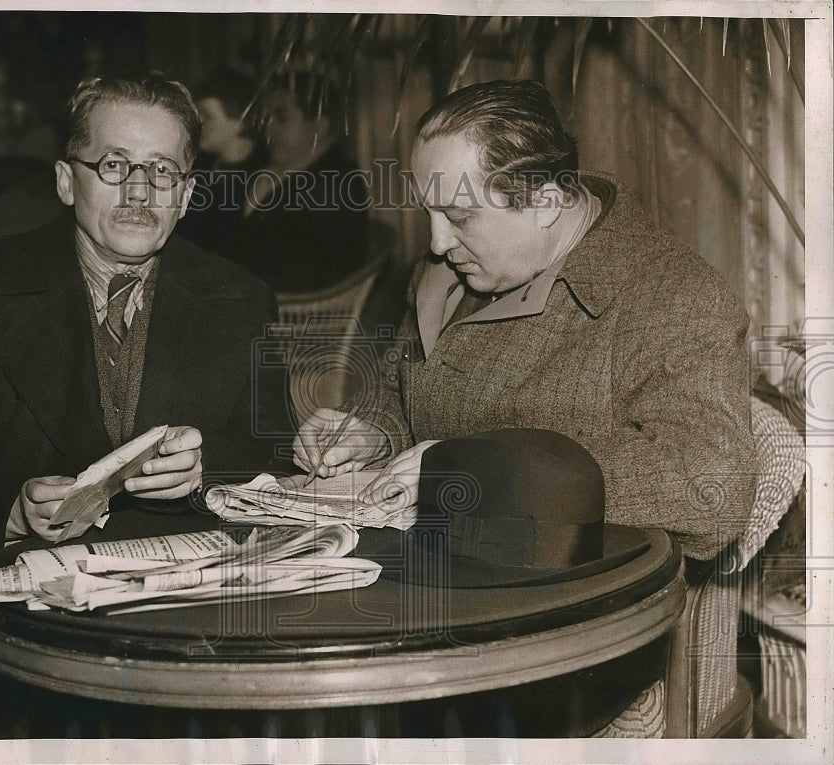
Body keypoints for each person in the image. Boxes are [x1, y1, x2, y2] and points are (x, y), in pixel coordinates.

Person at [0, 73, 293, 639]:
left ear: (187, 195)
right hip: (19, 629)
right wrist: (10, 512)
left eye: (161, 171)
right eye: (112, 165)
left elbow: (277, 462)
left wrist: (206, 474)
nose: (138, 193)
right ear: (64, 181)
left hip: (194, 621)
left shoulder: (239, 299)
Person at [293, 79, 756, 563]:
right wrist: (373, 435)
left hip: (576, 602)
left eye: (459, 216)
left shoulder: (672, 297)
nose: (436, 243)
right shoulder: (447, 277)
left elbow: (714, 486)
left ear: (546, 204)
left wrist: (481, 470)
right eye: (429, 212)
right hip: (433, 564)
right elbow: (399, 397)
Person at [219, 71, 370, 292]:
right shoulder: (273, 167)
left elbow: (303, 276)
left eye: (282, 118)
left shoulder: (334, 187)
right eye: (266, 118)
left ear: (320, 125)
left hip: (291, 314)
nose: (267, 129)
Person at [174, 65, 268, 253]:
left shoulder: (263, 175)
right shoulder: (195, 166)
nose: (198, 124)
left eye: (207, 115)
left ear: (241, 119)